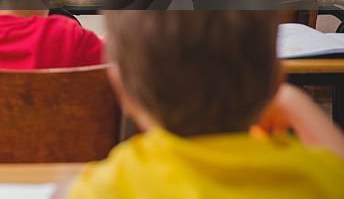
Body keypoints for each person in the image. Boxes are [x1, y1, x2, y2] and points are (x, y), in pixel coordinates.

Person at [62, 11, 344, 198]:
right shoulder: (317, 177)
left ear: (123, 89)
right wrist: (294, 101)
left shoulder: (107, 186)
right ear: (276, 78)